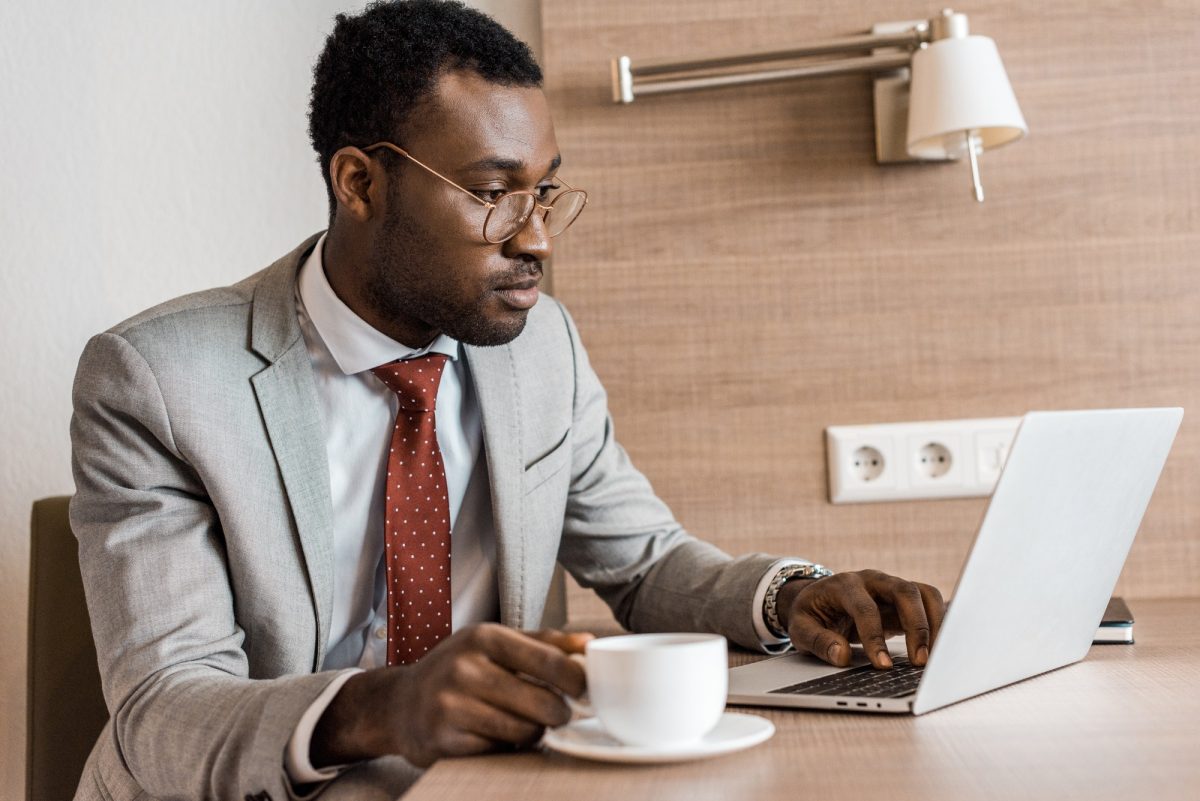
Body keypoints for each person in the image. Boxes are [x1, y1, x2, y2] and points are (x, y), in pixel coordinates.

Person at [68, 2, 945, 800]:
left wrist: (789, 594)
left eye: (544, 191)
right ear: (360, 183)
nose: (536, 239)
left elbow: (642, 563)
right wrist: (384, 708)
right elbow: (163, 710)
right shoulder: (158, 380)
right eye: (492, 195)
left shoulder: (540, 348)